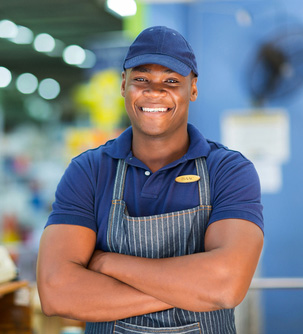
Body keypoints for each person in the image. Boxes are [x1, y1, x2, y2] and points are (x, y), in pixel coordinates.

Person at [37, 26, 264, 334]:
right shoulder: (89, 170)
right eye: (141, 79)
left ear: (193, 88)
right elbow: (56, 292)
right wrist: (192, 290)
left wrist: (106, 263)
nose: (155, 91)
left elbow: (226, 285)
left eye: (171, 81)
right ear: (123, 85)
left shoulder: (228, 170)